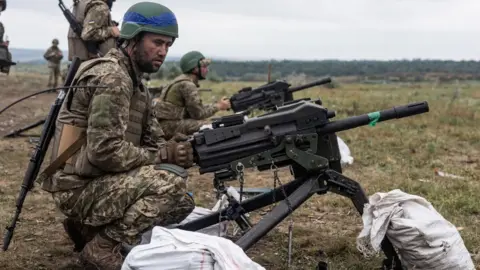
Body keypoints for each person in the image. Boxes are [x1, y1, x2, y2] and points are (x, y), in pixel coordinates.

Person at [39, 2, 194, 269]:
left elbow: (155, 140)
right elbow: (104, 151)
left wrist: (183, 149)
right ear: (133, 38)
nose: (162, 52)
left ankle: (85, 230)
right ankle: (102, 247)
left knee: (183, 203)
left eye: (168, 45)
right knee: (170, 184)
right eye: (157, 42)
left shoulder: (138, 86)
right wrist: (160, 155)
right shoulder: (114, 78)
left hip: (96, 181)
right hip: (75, 188)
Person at [153, 51, 231, 139]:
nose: (207, 70)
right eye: (204, 67)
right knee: (209, 126)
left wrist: (217, 105)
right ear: (195, 69)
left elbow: (195, 110)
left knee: (212, 121)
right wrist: (219, 106)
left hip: (165, 124)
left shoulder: (180, 80)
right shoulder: (188, 85)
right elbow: (198, 114)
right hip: (168, 127)